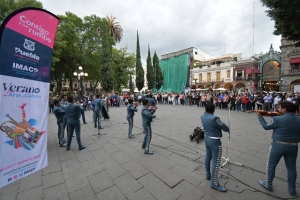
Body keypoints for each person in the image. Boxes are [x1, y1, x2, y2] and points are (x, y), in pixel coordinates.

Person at [256, 101, 300, 196]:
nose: (278, 109)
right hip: (293, 146)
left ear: (284, 109)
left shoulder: (277, 119)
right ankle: (292, 189)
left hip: (278, 145)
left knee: (271, 165)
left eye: (280, 107)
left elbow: (266, 126)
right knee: (292, 167)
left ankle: (268, 184)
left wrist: (260, 116)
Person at [201, 103, 229, 192]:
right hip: (215, 141)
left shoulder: (202, 116)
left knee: (208, 157)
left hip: (207, 139)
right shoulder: (215, 118)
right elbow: (225, 127)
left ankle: (208, 174)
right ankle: (214, 183)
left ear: (205, 109)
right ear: (214, 110)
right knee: (216, 162)